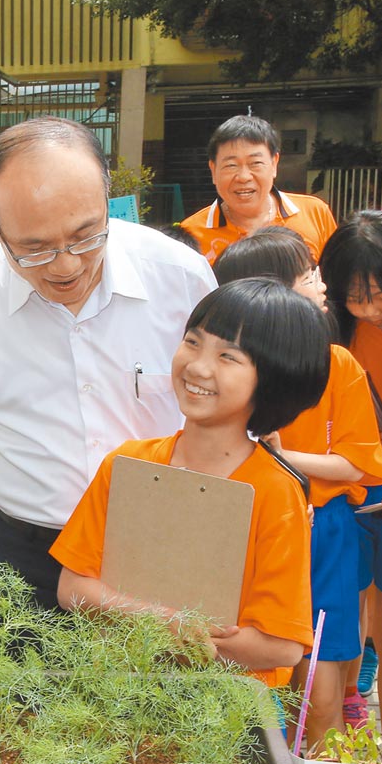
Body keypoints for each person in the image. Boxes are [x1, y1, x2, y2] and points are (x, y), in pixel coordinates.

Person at [0, 117, 217, 626]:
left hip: (163, 544)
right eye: (33, 248)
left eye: (85, 236)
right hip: (29, 559)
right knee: (31, 703)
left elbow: (230, 408)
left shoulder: (179, 277)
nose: (65, 266)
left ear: (107, 199)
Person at [51, 278, 331, 688]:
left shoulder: (273, 491)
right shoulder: (128, 463)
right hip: (121, 690)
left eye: (228, 357)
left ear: (274, 379)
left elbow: (282, 644)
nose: (198, 366)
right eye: (193, 342)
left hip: (227, 708)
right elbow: (72, 587)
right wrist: (168, 623)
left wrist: (184, 634)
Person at [214, 228, 382, 748]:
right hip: (247, 526)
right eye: (307, 275)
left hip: (324, 530)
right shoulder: (235, 369)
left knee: (322, 666)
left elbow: (359, 464)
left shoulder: (338, 363)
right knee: (248, 665)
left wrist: (282, 458)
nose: (321, 284)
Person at [320, 210, 382, 721]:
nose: (367, 309)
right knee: (358, 597)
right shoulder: (336, 338)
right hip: (359, 493)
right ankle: (354, 685)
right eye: (354, 297)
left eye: (378, 295)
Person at [180, 115, 336, 266]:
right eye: (231, 165)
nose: (243, 177)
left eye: (255, 163)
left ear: (274, 164)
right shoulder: (190, 234)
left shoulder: (315, 213)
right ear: (213, 170)